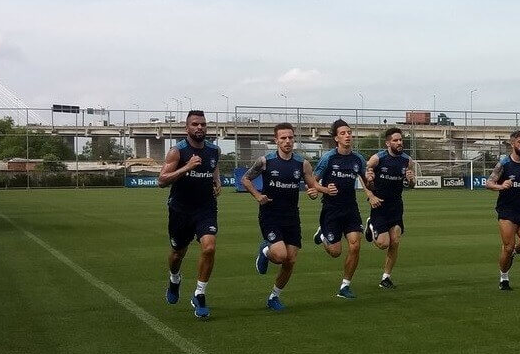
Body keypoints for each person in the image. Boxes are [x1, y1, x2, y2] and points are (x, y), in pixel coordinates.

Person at [241, 123, 320, 311]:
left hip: (292, 217)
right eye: (283, 138)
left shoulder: (302, 164)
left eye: (290, 138)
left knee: (290, 260)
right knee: (279, 256)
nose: (287, 141)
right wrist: (257, 196)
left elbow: (312, 186)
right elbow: (245, 179)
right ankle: (265, 251)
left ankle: (274, 297)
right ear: (276, 140)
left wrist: (314, 192)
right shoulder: (265, 161)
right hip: (270, 215)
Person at [158, 110, 222, 318]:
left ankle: (199, 294)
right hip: (181, 209)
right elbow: (162, 180)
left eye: (203, 124)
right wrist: (186, 167)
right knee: (178, 253)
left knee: (209, 247)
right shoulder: (177, 151)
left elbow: (214, 167)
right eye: (195, 124)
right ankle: (174, 278)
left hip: (205, 207)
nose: (199, 127)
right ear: (187, 128)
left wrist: (217, 180)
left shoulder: (214, 150)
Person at [313, 119, 382, 299]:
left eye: (349, 132)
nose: (347, 136)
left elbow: (368, 183)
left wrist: (371, 181)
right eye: (343, 133)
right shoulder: (328, 158)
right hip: (331, 209)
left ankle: (345, 286)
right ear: (336, 138)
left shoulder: (358, 159)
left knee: (355, 245)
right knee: (335, 252)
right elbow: (312, 182)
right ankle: (323, 235)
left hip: (351, 208)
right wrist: (324, 190)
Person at [485, 129, 520, 291]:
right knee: (507, 247)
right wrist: (501, 186)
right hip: (507, 212)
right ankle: (504, 278)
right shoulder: (504, 164)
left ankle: (514, 252)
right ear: (512, 144)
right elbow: (488, 183)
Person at [364, 127, 415, 289]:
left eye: (401, 140)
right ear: (388, 143)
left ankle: (386, 277)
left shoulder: (407, 160)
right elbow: (365, 179)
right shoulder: (377, 159)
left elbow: (411, 185)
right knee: (383, 244)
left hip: (396, 206)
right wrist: (369, 185)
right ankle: (371, 225)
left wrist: (411, 180)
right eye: (395, 140)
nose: (399, 143)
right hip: (379, 205)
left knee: (395, 241)